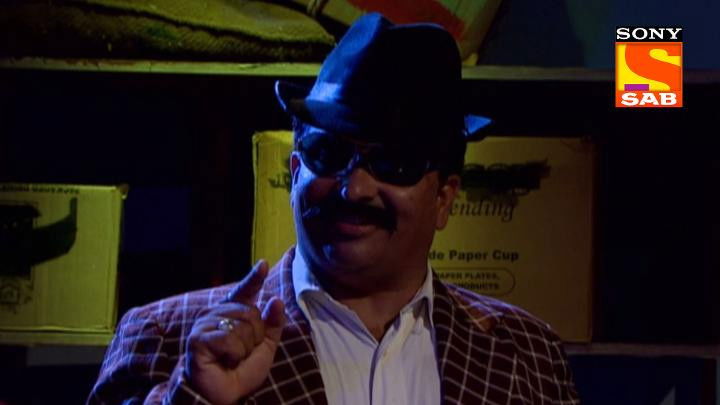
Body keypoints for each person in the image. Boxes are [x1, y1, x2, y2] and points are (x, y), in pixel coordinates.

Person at [88, 13, 579, 405]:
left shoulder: (526, 351)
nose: (355, 188)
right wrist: (195, 397)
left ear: (444, 198)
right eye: (329, 154)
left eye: (393, 163)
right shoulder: (165, 336)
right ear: (295, 170)